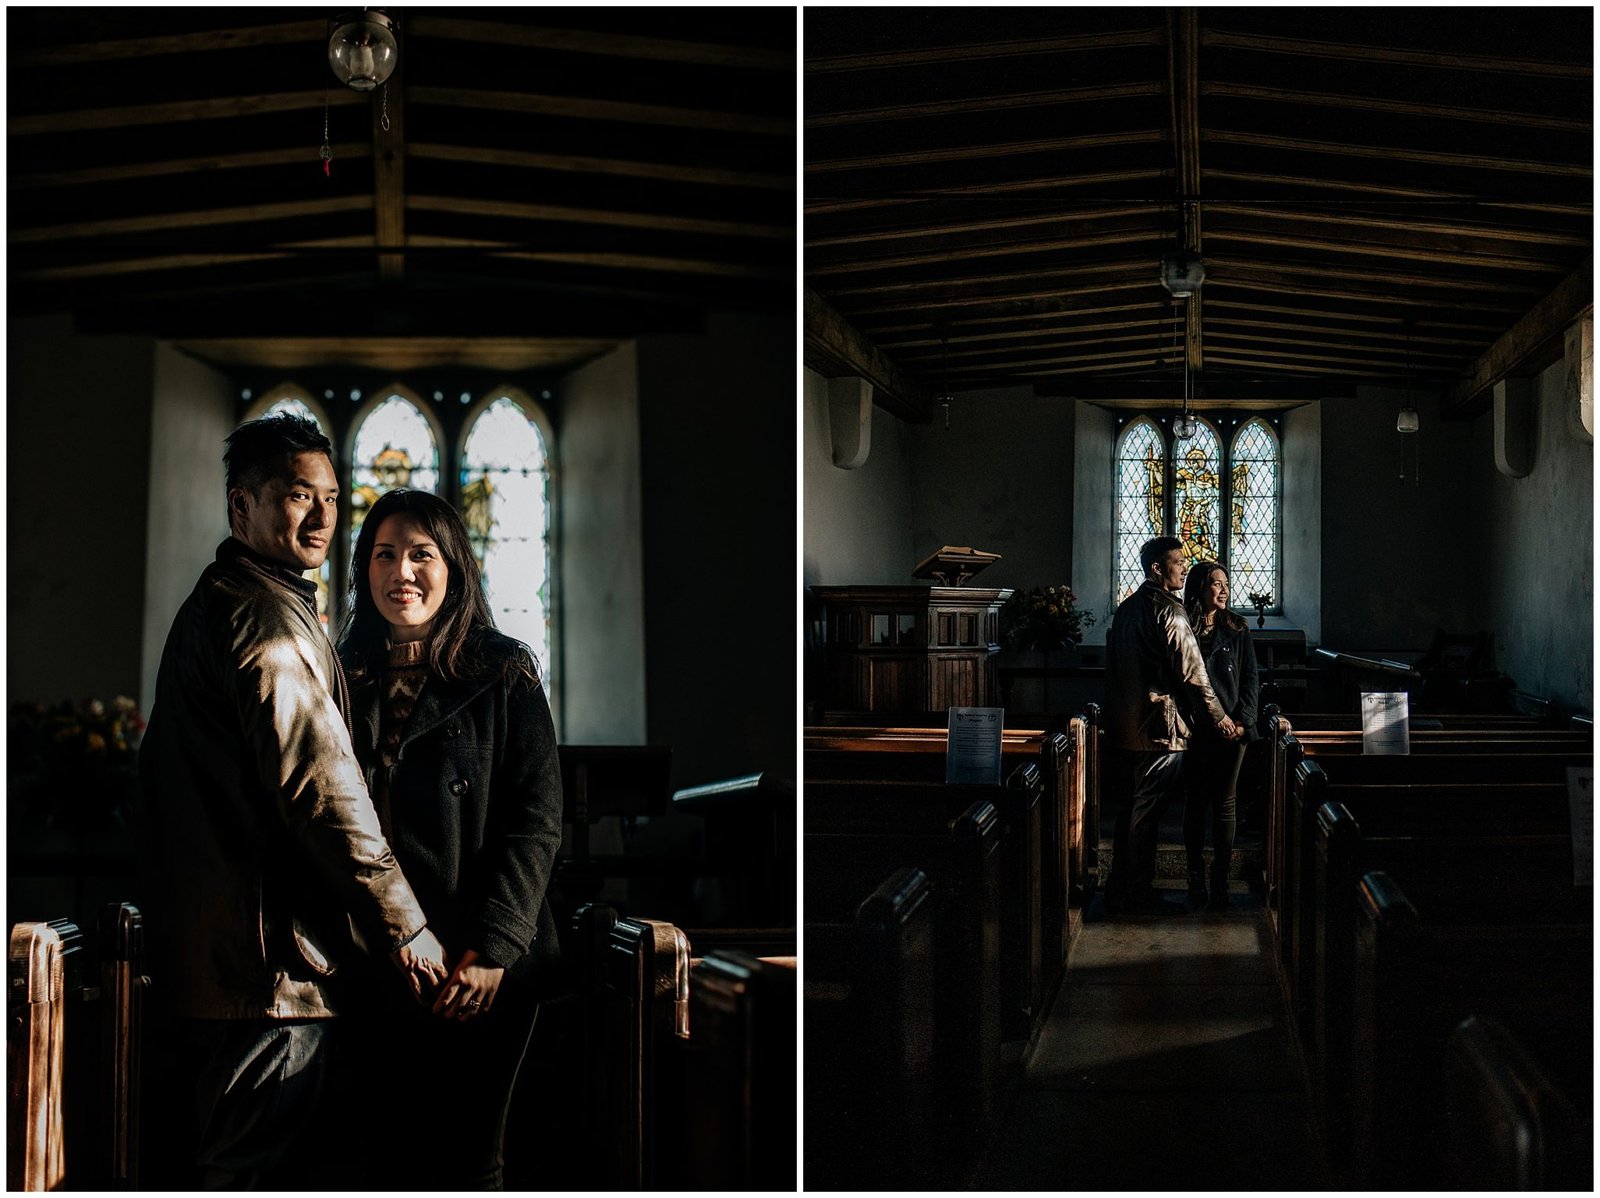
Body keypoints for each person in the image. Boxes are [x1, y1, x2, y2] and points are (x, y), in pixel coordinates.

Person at [139, 414, 448, 1188]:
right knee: (248, 1173)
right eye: (296, 496)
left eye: (332, 498)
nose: (320, 517)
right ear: (241, 505)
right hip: (269, 967)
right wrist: (404, 924)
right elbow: (322, 787)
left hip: (233, 954)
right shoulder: (263, 616)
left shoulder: (229, 597)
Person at [334, 487, 564, 1191]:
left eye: (420, 554)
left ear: (454, 567)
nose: (401, 571)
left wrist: (493, 950)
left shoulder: (504, 670)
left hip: (482, 959)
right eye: (384, 554)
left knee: (471, 1159)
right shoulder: (342, 674)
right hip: (379, 958)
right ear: (363, 570)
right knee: (382, 1158)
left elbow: (536, 819)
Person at [1103, 536, 1240, 916]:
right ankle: (1137, 894)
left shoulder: (1127, 609)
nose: (1184, 567)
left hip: (1126, 726)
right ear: (1156, 569)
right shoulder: (1172, 612)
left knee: (1129, 810)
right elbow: (1194, 676)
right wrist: (1222, 718)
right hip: (1160, 730)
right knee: (1145, 816)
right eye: (1178, 562)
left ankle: (1120, 887)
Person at [1180, 561, 1259, 912]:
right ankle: (1195, 876)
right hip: (1197, 731)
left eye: (1227, 583)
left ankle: (1220, 878)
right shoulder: (1184, 627)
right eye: (1216, 583)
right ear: (1200, 587)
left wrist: (1245, 721)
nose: (1224, 589)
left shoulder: (1238, 629)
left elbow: (1251, 680)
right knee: (1196, 801)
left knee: (1225, 802)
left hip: (1233, 734)